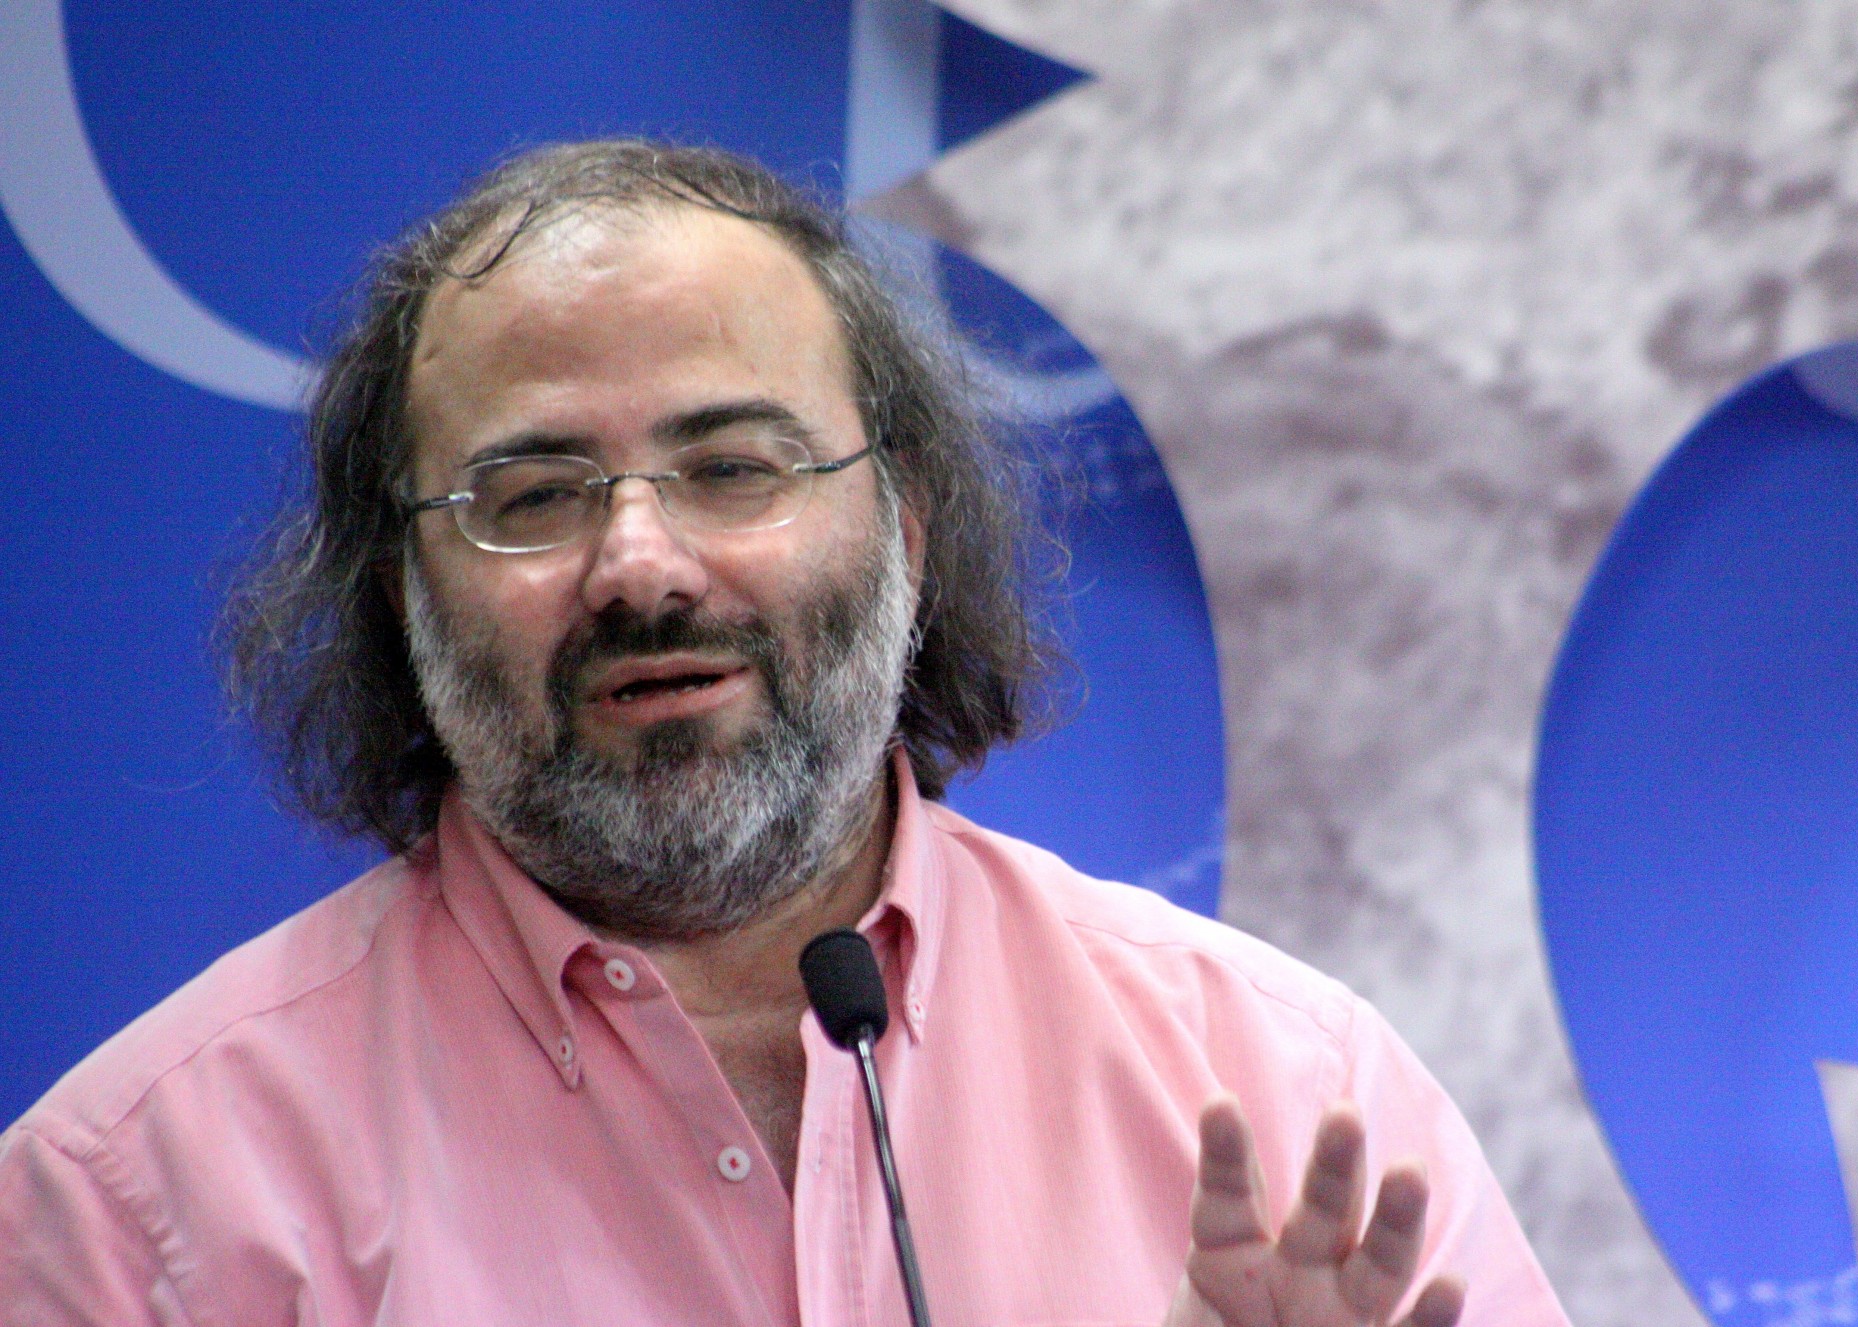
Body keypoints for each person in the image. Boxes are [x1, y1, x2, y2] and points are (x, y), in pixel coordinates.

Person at [0, 140, 1570, 1326]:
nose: (641, 566)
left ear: (904, 521)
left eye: (735, 466)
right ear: (399, 586)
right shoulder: (142, 1198)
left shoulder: (1287, 1096)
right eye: (533, 497)